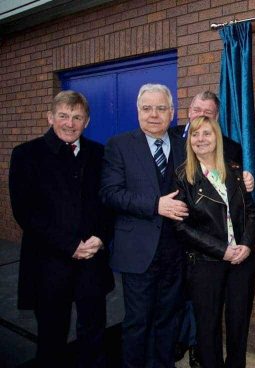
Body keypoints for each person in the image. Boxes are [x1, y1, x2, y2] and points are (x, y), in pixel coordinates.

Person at [9, 90, 114, 367]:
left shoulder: (99, 154)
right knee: (52, 339)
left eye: (77, 117)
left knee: (94, 334)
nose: (70, 123)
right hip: (49, 265)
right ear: (50, 117)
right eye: (64, 116)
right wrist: (70, 246)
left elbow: (109, 202)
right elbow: (25, 212)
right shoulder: (26, 155)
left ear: (87, 121)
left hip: (92, 262)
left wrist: (101, 238)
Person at [100, 83, 188, 367]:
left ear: (172, 112)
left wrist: (241, 174)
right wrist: (155, 205)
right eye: (147, 108)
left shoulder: (184, 144)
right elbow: (110, 193)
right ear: (137, 111)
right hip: (138, 251)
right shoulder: (119, 145)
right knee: (137, 322)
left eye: (161, 108)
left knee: (168, 320)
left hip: (176, 252)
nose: (154, 114)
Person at [173, 90, 254, 367]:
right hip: (206, 263)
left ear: (217, 134)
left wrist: (246, 245)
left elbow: (251, 212)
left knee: (238, 325)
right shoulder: (183, 177)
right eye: (195, 135)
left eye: (207, 132)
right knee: (207, 330)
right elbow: (182, 228)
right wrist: (223, 251)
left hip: (242, 262)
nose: (201, 139)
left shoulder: (233, 169)